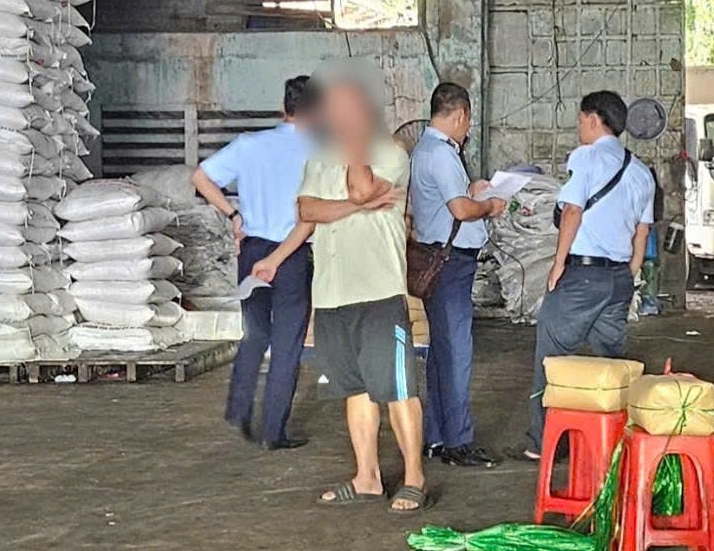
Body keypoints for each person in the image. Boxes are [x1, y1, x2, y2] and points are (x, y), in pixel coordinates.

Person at [296, 72, 430, 513]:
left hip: (378, 292)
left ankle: (414, 478)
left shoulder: (390, 154)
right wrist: (357, 206)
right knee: (354, 389)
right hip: (331, 294)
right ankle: (367, 478)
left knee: (398, 389)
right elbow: (306, 209)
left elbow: (360, 186)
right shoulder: (319, 158)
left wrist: (356, 156)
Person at [523, 89, 656, 460]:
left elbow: (572, 211)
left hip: (582, 275)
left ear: (594, 120)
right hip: (618, 278)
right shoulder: (641, 172)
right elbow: (643, 230)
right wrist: (629, 273)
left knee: (552, 356)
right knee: (612, 361)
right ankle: (616, 439)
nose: (579, 127)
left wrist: (558, 263)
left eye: (581, 119)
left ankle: (546, 443)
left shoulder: (585, 157)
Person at [193, 75, 318, 449]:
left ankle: (238, 408)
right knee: (287, 343)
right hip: (292, 254)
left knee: (256, 332)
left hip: (251, 251)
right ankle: (273, 431)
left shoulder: (249, 144)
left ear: (284, 107)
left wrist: (233, 214)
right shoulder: (321, 152)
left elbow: (200, 177)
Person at [408, 81, 506, 468]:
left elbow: (450, 198)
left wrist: (472, 188)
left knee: (441, 354)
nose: (467, 130)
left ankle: (436, 436)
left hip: (436, 261)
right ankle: (457, 443)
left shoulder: (423, 149)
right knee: (456, 355)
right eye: (468, 122)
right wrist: (490, 205)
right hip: (450, 265)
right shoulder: (443, 153)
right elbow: (461, 210)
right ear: (461, 115)